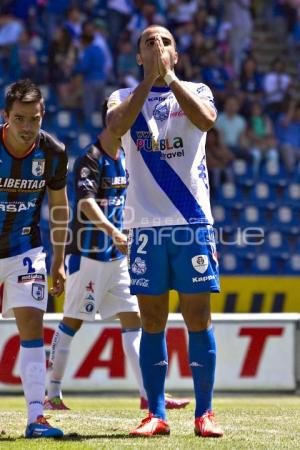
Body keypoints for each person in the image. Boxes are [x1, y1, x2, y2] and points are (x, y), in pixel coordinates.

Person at [106, 25, 224, 438]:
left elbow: (207, 120)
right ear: (138, 56)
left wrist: (169, 79)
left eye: (166, 42)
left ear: (177, 54)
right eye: (149, 43)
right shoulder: (122, 97)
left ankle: (204, 414)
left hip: (191, 221)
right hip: (144, 225)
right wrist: (148, 82)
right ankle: (156, 414)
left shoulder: (198, 89)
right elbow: (116, 128)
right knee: (152, 318)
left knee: (197, 316)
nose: (158, 47)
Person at [45, 101, 190, 412]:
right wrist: (114, 231)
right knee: (72, 321)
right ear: (112, 122)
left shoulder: (125, 157)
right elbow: (85, 203)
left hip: (117, 258)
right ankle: (51, 393)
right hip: (88, 256)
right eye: (126, 118)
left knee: (134, 320)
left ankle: (150, 395)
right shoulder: (90, 158)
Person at [0, 79, 68, 438]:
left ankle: (35, 418)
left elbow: (59, 208)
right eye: (20, 118)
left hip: (25, 250)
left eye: (35, 119)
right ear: (5, 116)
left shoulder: (53, 152)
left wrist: (58, 260)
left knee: (31, 327)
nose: (27, 127)